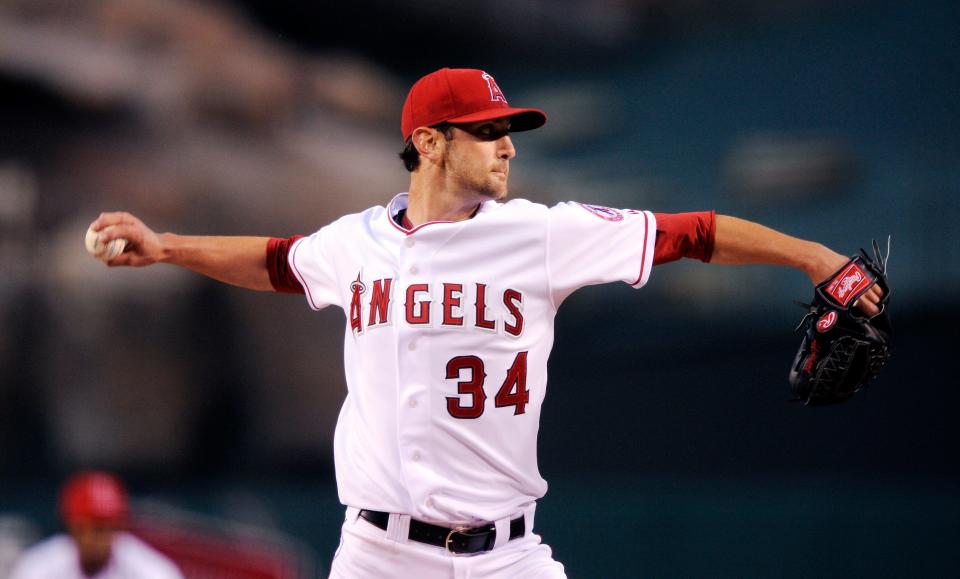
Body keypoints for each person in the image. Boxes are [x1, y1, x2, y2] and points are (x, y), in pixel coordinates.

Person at [87, 68, 883, 578]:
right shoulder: (355, 242)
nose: (507, 147)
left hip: (509, 555)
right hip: (377, 553)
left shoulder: (541, 232)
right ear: (429, 143)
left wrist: (813, 256)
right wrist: (164, 246)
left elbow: (695, 231)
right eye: (489, 130)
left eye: (510, 131)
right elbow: (277, 261)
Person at [8, 471, 184, 579]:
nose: (96, 537)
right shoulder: (38, 566)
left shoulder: (150, 570)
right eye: (89, 526)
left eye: (105, 527)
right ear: (71, 526)